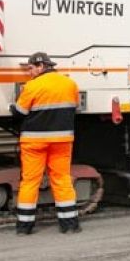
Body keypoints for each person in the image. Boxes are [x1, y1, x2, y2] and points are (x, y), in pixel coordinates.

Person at [12, 52, 81, 235]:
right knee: (62, 179)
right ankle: (70, 225)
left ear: (41, 66)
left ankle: (24, 227)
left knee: (30, 182)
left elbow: (19, 112)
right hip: (62, 141)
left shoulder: (32, 86)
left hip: (34, 142)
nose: (30, 72)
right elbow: (76, 106)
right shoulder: (70, 83)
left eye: (31, 68)